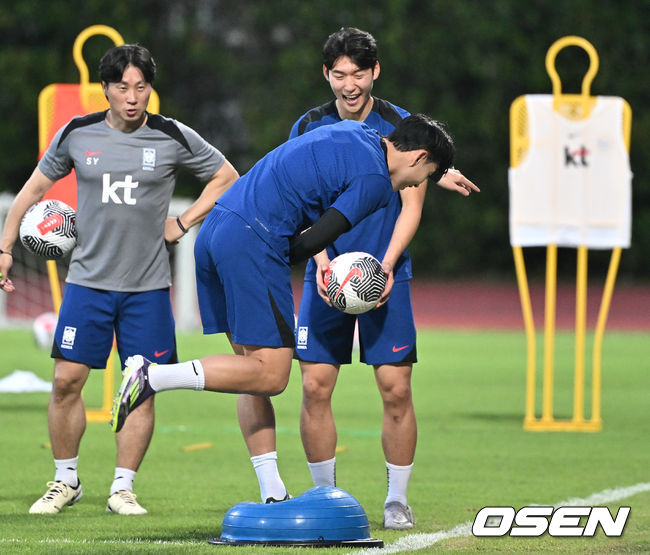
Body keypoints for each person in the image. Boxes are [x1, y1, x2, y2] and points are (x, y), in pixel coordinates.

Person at [109, 115, 456, 510]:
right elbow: (321, 236)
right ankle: (150, 376)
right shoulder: (378, 182)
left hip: (217, 228)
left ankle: (272, 493)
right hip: (253, 240)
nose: (414, 185)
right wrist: (286, 260)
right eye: (424, 175)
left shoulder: (360, 134)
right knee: (271, 375)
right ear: (419, 157)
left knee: (250, 372)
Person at [237, 27, 479, 528]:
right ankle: (325, 496)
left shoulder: (403, 128)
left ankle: (396, 500)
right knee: (315, 385)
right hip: (328, 273)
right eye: (339, 74)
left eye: (359, 74)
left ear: (375, 73)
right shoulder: (309, 125)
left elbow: (412, 204)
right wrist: (324, 261)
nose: (349, 84)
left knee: (395, 387)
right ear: (327, 74)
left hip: (385, 273)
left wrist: (385, 268)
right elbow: (300, 199)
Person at [0, 44, 239, 515]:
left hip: (148, 289)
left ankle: (122, 488)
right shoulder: (76, 133)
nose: (133, 97)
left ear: (150, 88)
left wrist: (184, 220)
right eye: (122, 87)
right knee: (67, 380)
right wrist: (5, 248)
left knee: (141, 385)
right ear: (106, 88)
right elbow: (33, 190)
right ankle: (65, 481)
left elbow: (227, 175)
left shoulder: (171, 135)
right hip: (87, 284)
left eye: (142, 87)